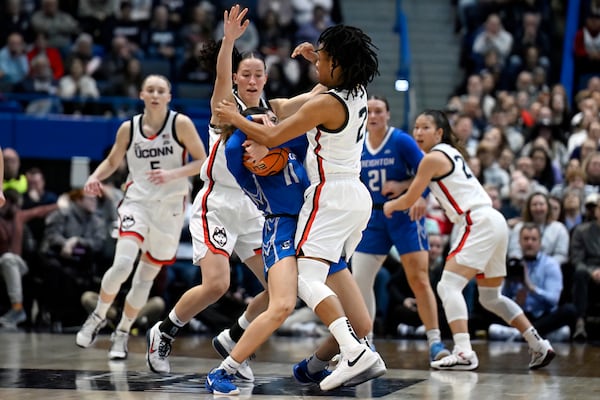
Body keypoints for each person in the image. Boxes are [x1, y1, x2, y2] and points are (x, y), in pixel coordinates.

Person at [145, 5, 319, 380]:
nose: (252, 79)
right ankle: (165, 330)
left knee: (280, 290)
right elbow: (222, 73)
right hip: (218, 203)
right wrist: (229, 42)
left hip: (256, 208)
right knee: (217, 284)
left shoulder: (274, 110)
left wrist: (324, 64)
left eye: (259, 74)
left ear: (266, 78)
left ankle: (234, 338)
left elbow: (316, 97)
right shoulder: (226, 108)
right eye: (246, 74)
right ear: (238, 79)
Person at [215, 21, 382, 391]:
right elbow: (297, 104)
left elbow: (274, 133)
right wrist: (317, 61)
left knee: (303, 281)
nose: (315, 64)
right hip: (354, 199)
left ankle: (353, 352)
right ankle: (319, 362)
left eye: (322, 59)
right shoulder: (355, 88)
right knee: (331, 302)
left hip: (329, 197)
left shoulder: (324, 103)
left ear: (337, 62)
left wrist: (238, 119)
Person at [383, 109, 555, 371]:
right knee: (490, 298)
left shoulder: (431, 158)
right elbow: (423, 180)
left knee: (447, 286)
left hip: (476, 222)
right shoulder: (450, 154)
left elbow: (412, 196)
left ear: (439, 132)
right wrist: (403, 186)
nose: (418, 132)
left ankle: (463, 351)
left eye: (425, 127)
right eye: (416, 127)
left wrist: (392, 204)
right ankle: (538, 343)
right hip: (493, 221)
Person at [75, 74, 207, 361]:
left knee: (145, 277)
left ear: (169, 96)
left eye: (162, 90)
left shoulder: (180, 124)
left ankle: (122, 332)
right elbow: (113, 160)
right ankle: (97, 315)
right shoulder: (129, 128)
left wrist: (172, 174)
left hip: (170, 207)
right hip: (137, 202)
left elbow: (203, 161)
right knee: (122, 264)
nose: (156, 94)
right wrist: (95, 177)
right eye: (151, 90)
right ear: (142, 94)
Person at [350, 95, 450, 362]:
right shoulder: (356, 144)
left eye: (379, 111)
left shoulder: (401, 140)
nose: (373, 116)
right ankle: (364, 345)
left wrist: (417, 195)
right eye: (369, 111)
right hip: (372, 218)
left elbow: (426, 172)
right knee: (360, 281)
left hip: (405, 214)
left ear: (388, 115)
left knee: (418, 280)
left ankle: (435, 342)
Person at [488, 223, 577, 342]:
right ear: (519, 242)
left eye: (533, 239)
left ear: (540, 243)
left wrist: (531, 288)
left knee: (569, 310)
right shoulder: (514, 265)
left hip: (543, 316)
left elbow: (553, 300)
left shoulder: (550, 264)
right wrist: (513, 297)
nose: (529, 243)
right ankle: (535, 335)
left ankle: (520, 335)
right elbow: (503, 299)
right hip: (519, 315)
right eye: (526, 239)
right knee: (487, 303)